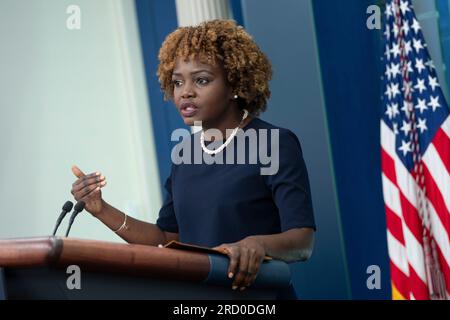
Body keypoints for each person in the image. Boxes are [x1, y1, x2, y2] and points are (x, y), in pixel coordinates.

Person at [70, 19, 316, 299]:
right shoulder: (185, 155)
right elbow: (166, 239)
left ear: (234, 83)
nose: (185, 91)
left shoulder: (274, 143)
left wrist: (257, 244)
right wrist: (101, 208)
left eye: (201, 80)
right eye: (177, 82)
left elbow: (302, 241)